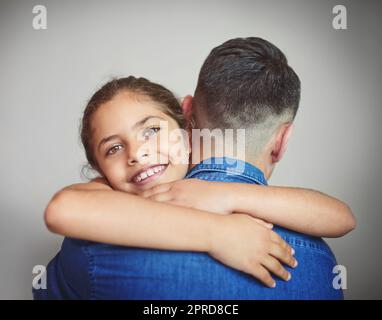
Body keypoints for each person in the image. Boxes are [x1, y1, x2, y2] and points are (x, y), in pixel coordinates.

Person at [34, 37, 355, 300]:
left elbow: (342, 217)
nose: (137, 153)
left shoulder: (89, 253)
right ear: (101, 171)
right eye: (113, 148)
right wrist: (217, 234)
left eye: (151, 130)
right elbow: (64, 208)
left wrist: (223, 195)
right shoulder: (322, 266)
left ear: (186, 123)